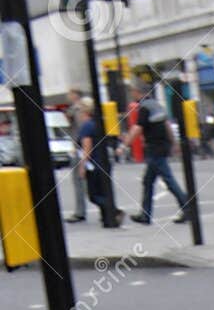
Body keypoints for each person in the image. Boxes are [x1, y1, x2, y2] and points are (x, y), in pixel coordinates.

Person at [125, 80, 191, 225]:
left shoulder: (144, 108)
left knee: (168, 179)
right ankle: (145, 214)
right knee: (148, 181)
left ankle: (187, 207)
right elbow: (167, 125)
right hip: (162, 146)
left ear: (138, 92)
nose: (132, 94)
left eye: (133, 92)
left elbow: (138, 128)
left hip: (154, 148)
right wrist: (173, 142)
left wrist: (125, 143)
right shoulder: (157, 105)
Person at [76, 99, 123, 228]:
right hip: (104, 162)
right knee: (103, 191)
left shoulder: (86, 126)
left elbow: (87, 147)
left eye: (79, 110)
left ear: (85, 111)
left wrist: (82, 166)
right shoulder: (98, 123)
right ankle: (107, 218)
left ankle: (114, 211)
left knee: (93, 195)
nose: (79, 113)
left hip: (94, 164)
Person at [65, 87, 88, 222]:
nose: (68, 96)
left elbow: (80, 130)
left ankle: (80, 212)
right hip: (82, 147)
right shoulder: (77, 108)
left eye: (70, 94)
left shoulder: (77, 109)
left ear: (75, 95)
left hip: (80, 148)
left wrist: (77, 147)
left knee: (79, 180)